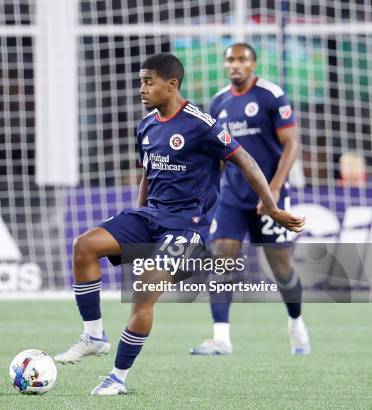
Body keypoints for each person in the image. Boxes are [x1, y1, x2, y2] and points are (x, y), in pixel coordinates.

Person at [54, 53, 305, 395]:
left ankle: (117, 377)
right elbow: (148, 173)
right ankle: (94, 335)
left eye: (148, 82)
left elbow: (244, 159)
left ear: (171, 85)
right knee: (84, 246)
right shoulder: (145, 125)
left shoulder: (201, 123)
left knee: (143, 289)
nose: (142, 89)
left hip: (188, 227)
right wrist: (137, 219)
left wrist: (273, 206)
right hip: (150, 217)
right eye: (141, 81)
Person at [190, 43, 311, 356]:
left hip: (270, 196)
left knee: (281, 268)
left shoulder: (271, 95)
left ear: (253, 64)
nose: (235, 65)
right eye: (230, 59)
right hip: (232, 196)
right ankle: (221, 338)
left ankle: (296, 323)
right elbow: (217, 153)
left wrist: (273, 189)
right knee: (221, 259)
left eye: (242, 59)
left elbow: (292, 144)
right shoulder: (218, 102)